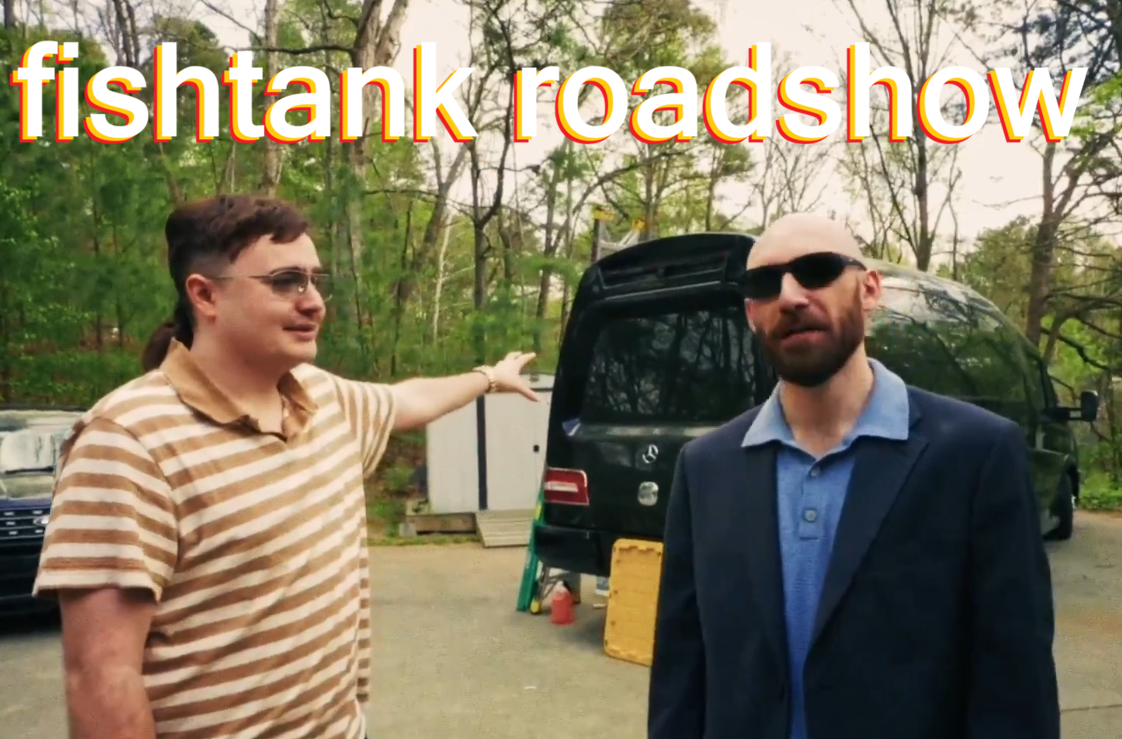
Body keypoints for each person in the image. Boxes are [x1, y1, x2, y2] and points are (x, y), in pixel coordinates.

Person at [32, 195, 540, 739]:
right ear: (205, 294)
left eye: (315, 281)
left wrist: (490, 377)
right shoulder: (127, 441)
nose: (314, 302)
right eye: (286, 282)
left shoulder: (321, 398)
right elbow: (101, 680)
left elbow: (407, 400)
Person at [647, 213, 1059, 739]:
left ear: (869, 291)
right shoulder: (707, 467)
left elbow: (1016, 683)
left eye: (817, 270)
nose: (790, 296)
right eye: (765, 283)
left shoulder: (977, 454)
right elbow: (681, 672)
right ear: (752, 313)